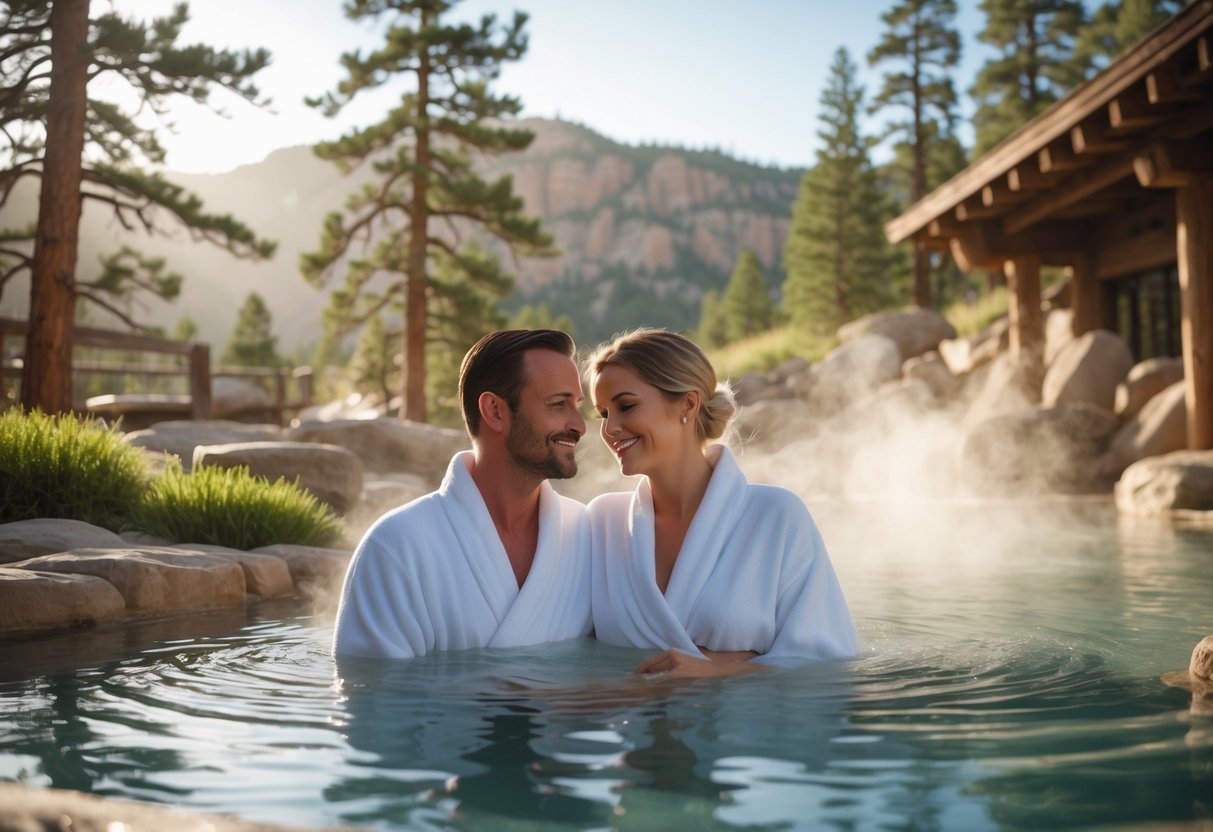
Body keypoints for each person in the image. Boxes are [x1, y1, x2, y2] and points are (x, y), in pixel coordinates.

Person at [585, 328, 858, 677]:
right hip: (631, 724)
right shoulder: (602, 523)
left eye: (626, 406)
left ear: (687, 404)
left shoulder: (776, 516)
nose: (610, 429)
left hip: (743, 727)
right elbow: (560, 644)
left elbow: (829, 660)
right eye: (603, 414)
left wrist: (714, 670)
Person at [333, 329, 593, 660]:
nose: (579, 425)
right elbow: (375, 698)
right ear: (495, 411)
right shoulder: (398, 546)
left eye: (577, 405)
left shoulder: (586, 535)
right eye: (558, 404)